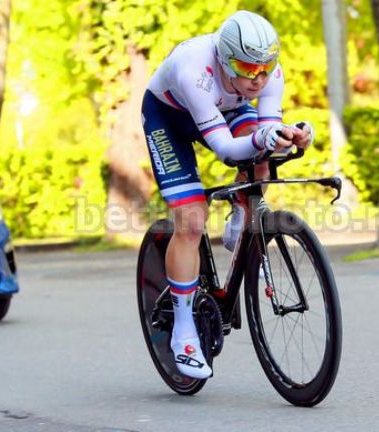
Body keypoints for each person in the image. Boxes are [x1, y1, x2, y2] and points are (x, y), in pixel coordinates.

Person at [141, 10, 314, 379]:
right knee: (190, 221)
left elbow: (266, 135)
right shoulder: (195, 70)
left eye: (265, 69)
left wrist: (293, 136)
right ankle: (184, 332)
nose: (258, 78)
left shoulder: (268, 74)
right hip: (169, 116)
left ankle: (241, 220)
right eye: (246, 68)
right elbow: (224, 148)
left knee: (263, 160)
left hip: (227, 108)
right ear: (223, 57)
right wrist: (261, 138)